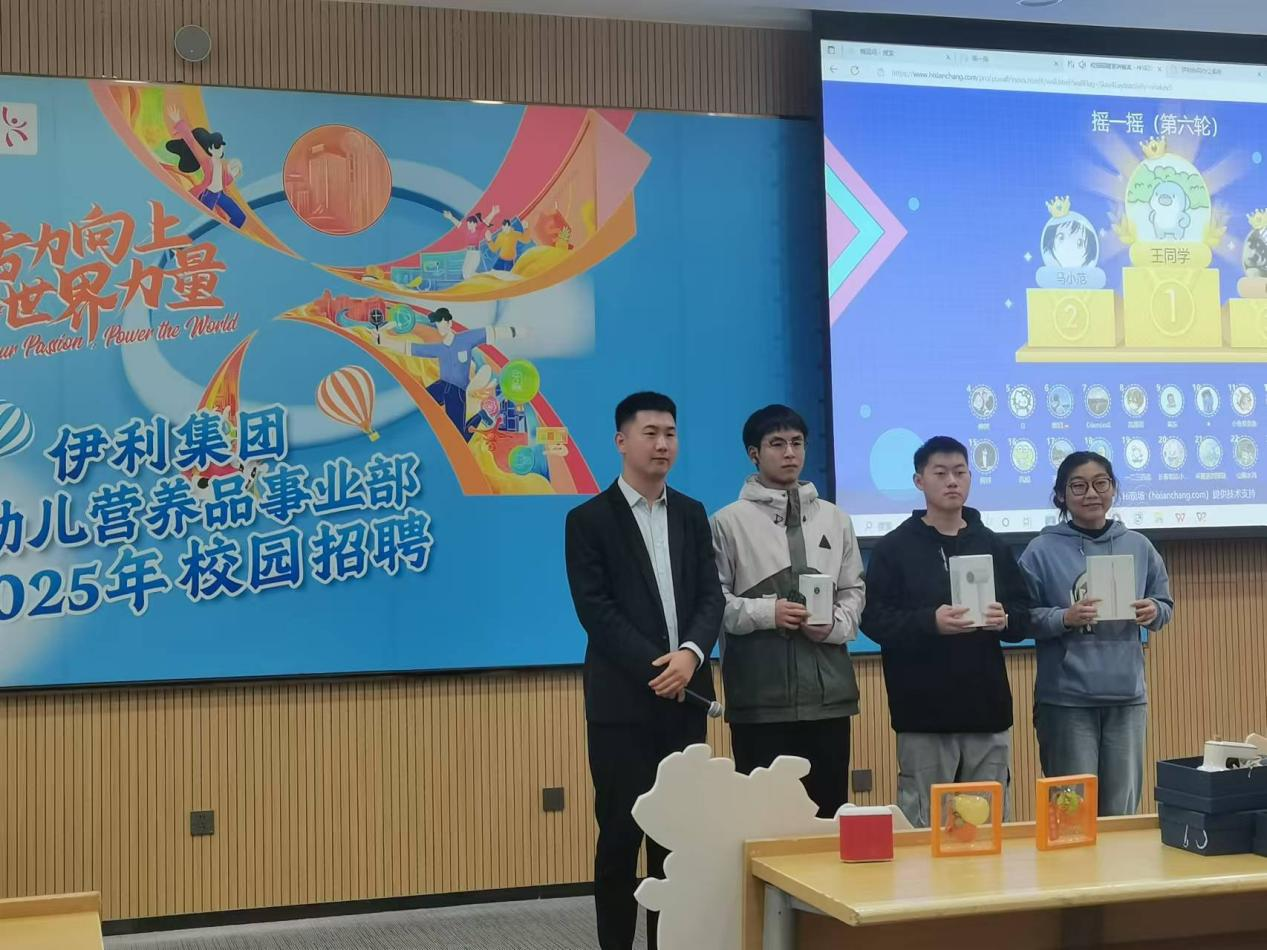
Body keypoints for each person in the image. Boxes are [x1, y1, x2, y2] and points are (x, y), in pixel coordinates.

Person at [564, 392, 723, 950]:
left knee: (675, 843)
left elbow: (710, 596)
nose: (662, 444)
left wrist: (691, 655)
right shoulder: (587, 520)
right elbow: (596, 610)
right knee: (620, 837)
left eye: (670, 434)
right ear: (621, 441)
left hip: (686, 702)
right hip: (623, 706)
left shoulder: (692, 513)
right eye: (650, 433)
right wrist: (660, 669)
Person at [860, 436, 1033, 828]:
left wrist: (1005, 618)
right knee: (926, 827)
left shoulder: (992, 544)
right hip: (923, 713)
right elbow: (873, 620)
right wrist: (930, 622)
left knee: (986, 828)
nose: (952, 481)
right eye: (940, 473)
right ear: (919, 481)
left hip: (986, 710)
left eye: (960, 472)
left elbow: (1025, 614)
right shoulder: (894, 548)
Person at [710, 404, 864, 817]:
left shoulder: (836, 519)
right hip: (760, 699)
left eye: (797, 443)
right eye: (777, 444)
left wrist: (833, 625)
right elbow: (713, 603)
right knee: (762, 819)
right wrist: (768, 613)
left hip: (829, 697)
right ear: (754, 454)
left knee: (828, 815)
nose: (790, 453)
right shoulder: (727, 523)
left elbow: (854, 589)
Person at [1018, 451, 1173, 816]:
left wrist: (1154, 610)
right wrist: (1064, 617)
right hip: (1067, 700)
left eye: (1101, 483)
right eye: (1078, 486)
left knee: (1121, 810)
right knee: (1072, 811)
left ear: (1113, 488)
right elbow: (1021, 618)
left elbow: (1165, 604)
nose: (1091, 493)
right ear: (1061, 495)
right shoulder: (1041, 551)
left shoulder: (1138, 545)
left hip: (1126, 697)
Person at [376, 307, 516, 439]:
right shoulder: (440, 348)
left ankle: (482, 414)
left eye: (441, 322)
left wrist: (514, 331)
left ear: (449, 323)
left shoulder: (465, 340)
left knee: (461, 435)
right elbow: (413, 348)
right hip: (443, 385)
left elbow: (490, 333)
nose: (440, 327)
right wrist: (384, 341)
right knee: (420, 402)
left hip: (457, 391)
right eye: (437, 324)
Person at [165, 106, 246, 229]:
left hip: (220, 195)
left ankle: (228, 232)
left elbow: (226, 181)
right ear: (210, 149)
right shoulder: (207, 161)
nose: (220, 149)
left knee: (240, 217)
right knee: (203, 222)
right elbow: (192, 142)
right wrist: (179, 122)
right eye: (217, 146)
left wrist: (234, 172)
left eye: (221, 146)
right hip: (209, 195)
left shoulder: (222, 165)